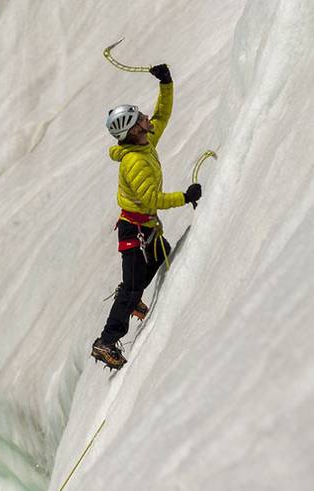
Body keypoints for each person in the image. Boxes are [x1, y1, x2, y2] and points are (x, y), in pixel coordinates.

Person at [91, 63, 202, 370]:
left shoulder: (145, 143)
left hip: (143, 228)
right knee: (130, 288)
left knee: (160, 253)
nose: (146, 118)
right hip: (134, 231)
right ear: (133, 130)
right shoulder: (135, 163)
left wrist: (165, 83)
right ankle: (106, 341)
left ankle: (131, 295)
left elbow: (162, 116)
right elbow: (151, 199)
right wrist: (185, 197)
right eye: (140, 118)